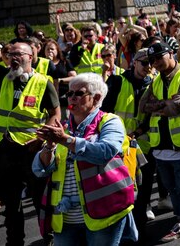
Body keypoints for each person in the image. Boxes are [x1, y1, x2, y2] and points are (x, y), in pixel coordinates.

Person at [0, 24, 60, 246]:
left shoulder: (42, 83)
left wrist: (42, 139)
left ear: (30, 56)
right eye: (10, 54)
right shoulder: (2, 76)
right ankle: (14, 242)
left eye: (18, 54)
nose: (13, 57)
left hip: (30, 151)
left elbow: (55, 114)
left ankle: (49, 238)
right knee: (11, 203)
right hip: (4, 152)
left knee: (40, 201)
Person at [33, 73, 137, 245]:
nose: (71, 98)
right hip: (65, 218)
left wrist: (66, 140)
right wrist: (50, 145)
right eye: (69, 93)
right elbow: (40, 170)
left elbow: (105, 152)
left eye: (78, 93)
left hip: (103, 214)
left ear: (96, 98)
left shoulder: (110, 121)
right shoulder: (64, 127)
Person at [136, 38, 180, 245]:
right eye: (152, 59)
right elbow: (144, 105)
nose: (155, 62)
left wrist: (162, 105)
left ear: (171, 54)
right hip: (160, 147)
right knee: (172, 189)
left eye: (159, 57)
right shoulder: (155, 80)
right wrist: (163, 105)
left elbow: (178, 106)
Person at [101, 47, 155, 240]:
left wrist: (138, 132)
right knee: (119, 190)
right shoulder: (117, 81)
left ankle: (139, 231)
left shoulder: (153, 84)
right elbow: (104, 111)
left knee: (143, 189)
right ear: (134, 62)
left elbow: (152, 116)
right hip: (117, 146)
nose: (148, 67)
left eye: (151, 63)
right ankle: (120, 231)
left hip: (143, 144)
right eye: (145, 62)